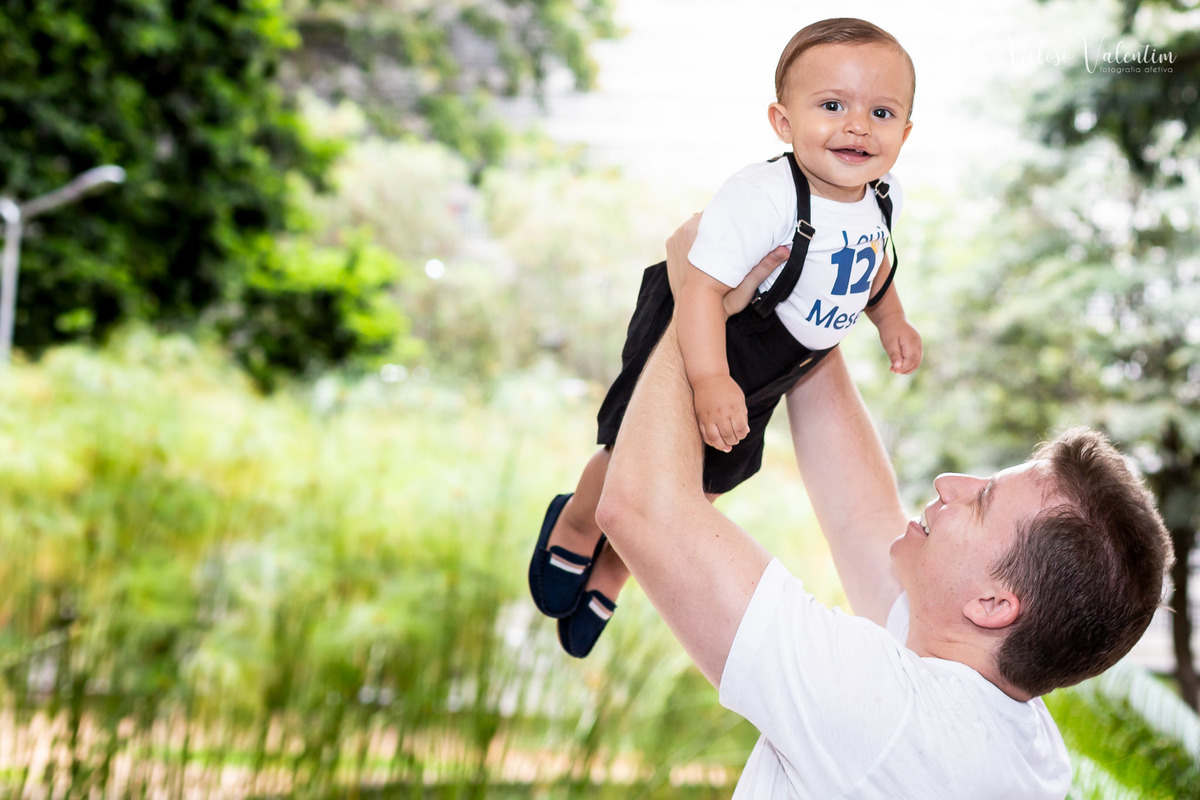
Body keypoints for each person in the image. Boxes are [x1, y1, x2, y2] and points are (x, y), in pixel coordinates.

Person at [586, 214, 1175, 799]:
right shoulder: (1008, 725)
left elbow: (643, 510)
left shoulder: (895, 725)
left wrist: (698, 292)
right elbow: (862, 518)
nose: (949, 484)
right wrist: (814, 293)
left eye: (982, 501)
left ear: (993, 603)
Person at [529, 17, 923, 657]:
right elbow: (703, 287)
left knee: (709, 481)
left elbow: (870, 267)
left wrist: (891, 320)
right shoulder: (763, 196)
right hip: (711, 330)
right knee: (636, 448)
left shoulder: (883, 198)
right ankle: (576, 519)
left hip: (782, 362)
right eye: (831, 106)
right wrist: (710, 378)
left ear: (904, 133)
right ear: (782, 121)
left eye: (881, 112)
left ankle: (614, 569)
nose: (857, 126)